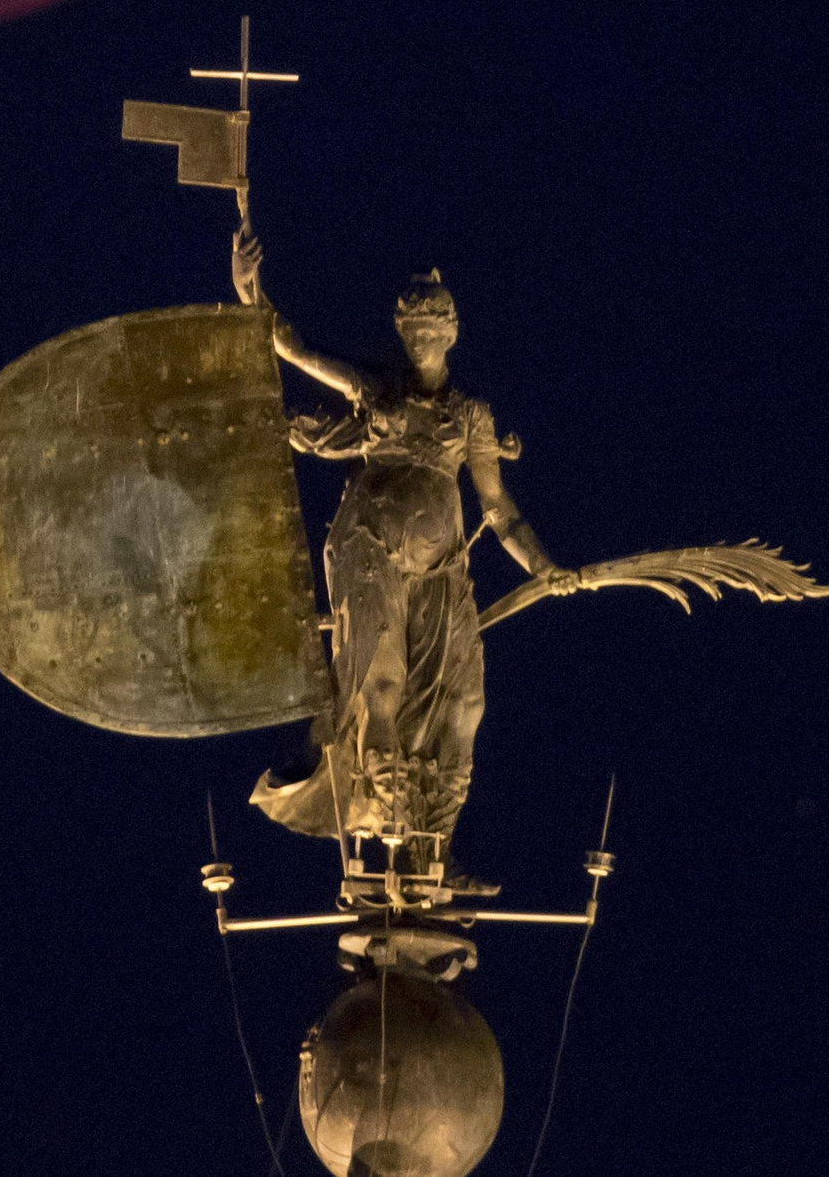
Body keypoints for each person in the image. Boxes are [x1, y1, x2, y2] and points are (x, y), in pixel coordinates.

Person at [231, 228, 578, 892]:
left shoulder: (473, 415)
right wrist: (252, 293)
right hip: (374, 554)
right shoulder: (379, 393)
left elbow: (499, 511)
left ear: (451, 334)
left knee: (464, 705)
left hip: (445, 567)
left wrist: (543, 568)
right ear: (403, 335)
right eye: (413, 332)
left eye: (434, 331)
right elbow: (293, 348)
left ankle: (435, 850)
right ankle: (391, 827)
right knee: (382, 688)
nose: (423, 342)